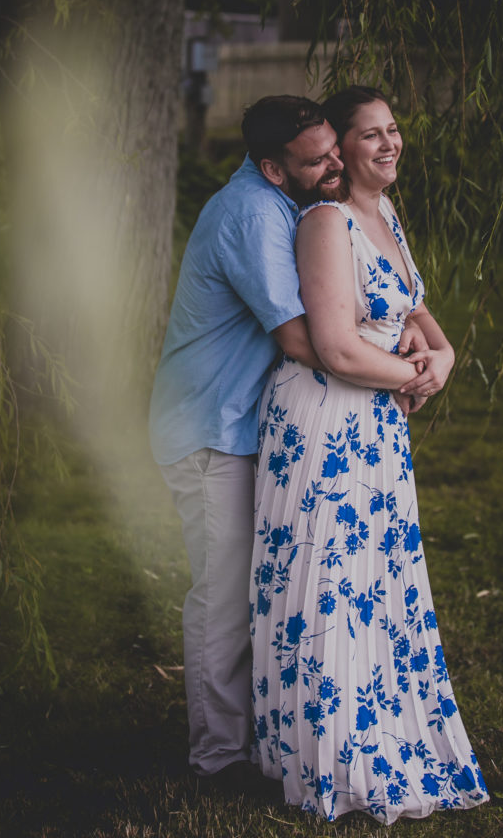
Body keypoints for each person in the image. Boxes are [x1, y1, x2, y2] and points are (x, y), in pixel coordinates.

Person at [148, 94, 427, 793]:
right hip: (214, 427)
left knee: (261, 590)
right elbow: (306, 340)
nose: (335, 163)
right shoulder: (251, 214)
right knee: (222, 595)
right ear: (274, 168)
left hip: (251, 424)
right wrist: (400, 370)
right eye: (318, 159)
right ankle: (218, 759)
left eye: (336, 148)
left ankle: (266, 739)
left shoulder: (294, 204)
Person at [250, 86, 489, 822]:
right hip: (326, 424)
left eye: (394, 130)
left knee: (375, 585)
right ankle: (330, 757)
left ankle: (379, 728)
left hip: (375, 423)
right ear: (341, 153)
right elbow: (333, 346)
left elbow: (412, 310)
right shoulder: (325, 222)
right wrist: (412, 375)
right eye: (370, 135)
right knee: (330, 588)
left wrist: (441, 354)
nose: (390, 144)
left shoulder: (381, 214)